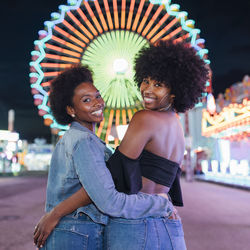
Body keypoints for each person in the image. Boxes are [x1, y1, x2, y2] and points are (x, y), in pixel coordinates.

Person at [34, 39, 208, 249]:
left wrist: (55, 212)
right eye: (146, 80)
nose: (147, 89)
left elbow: (110, 183)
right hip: (169, 228)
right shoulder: (176, 125)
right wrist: (163, 203)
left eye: (158, 85)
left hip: (135, 226)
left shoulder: (144, 118)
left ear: (175, 92)